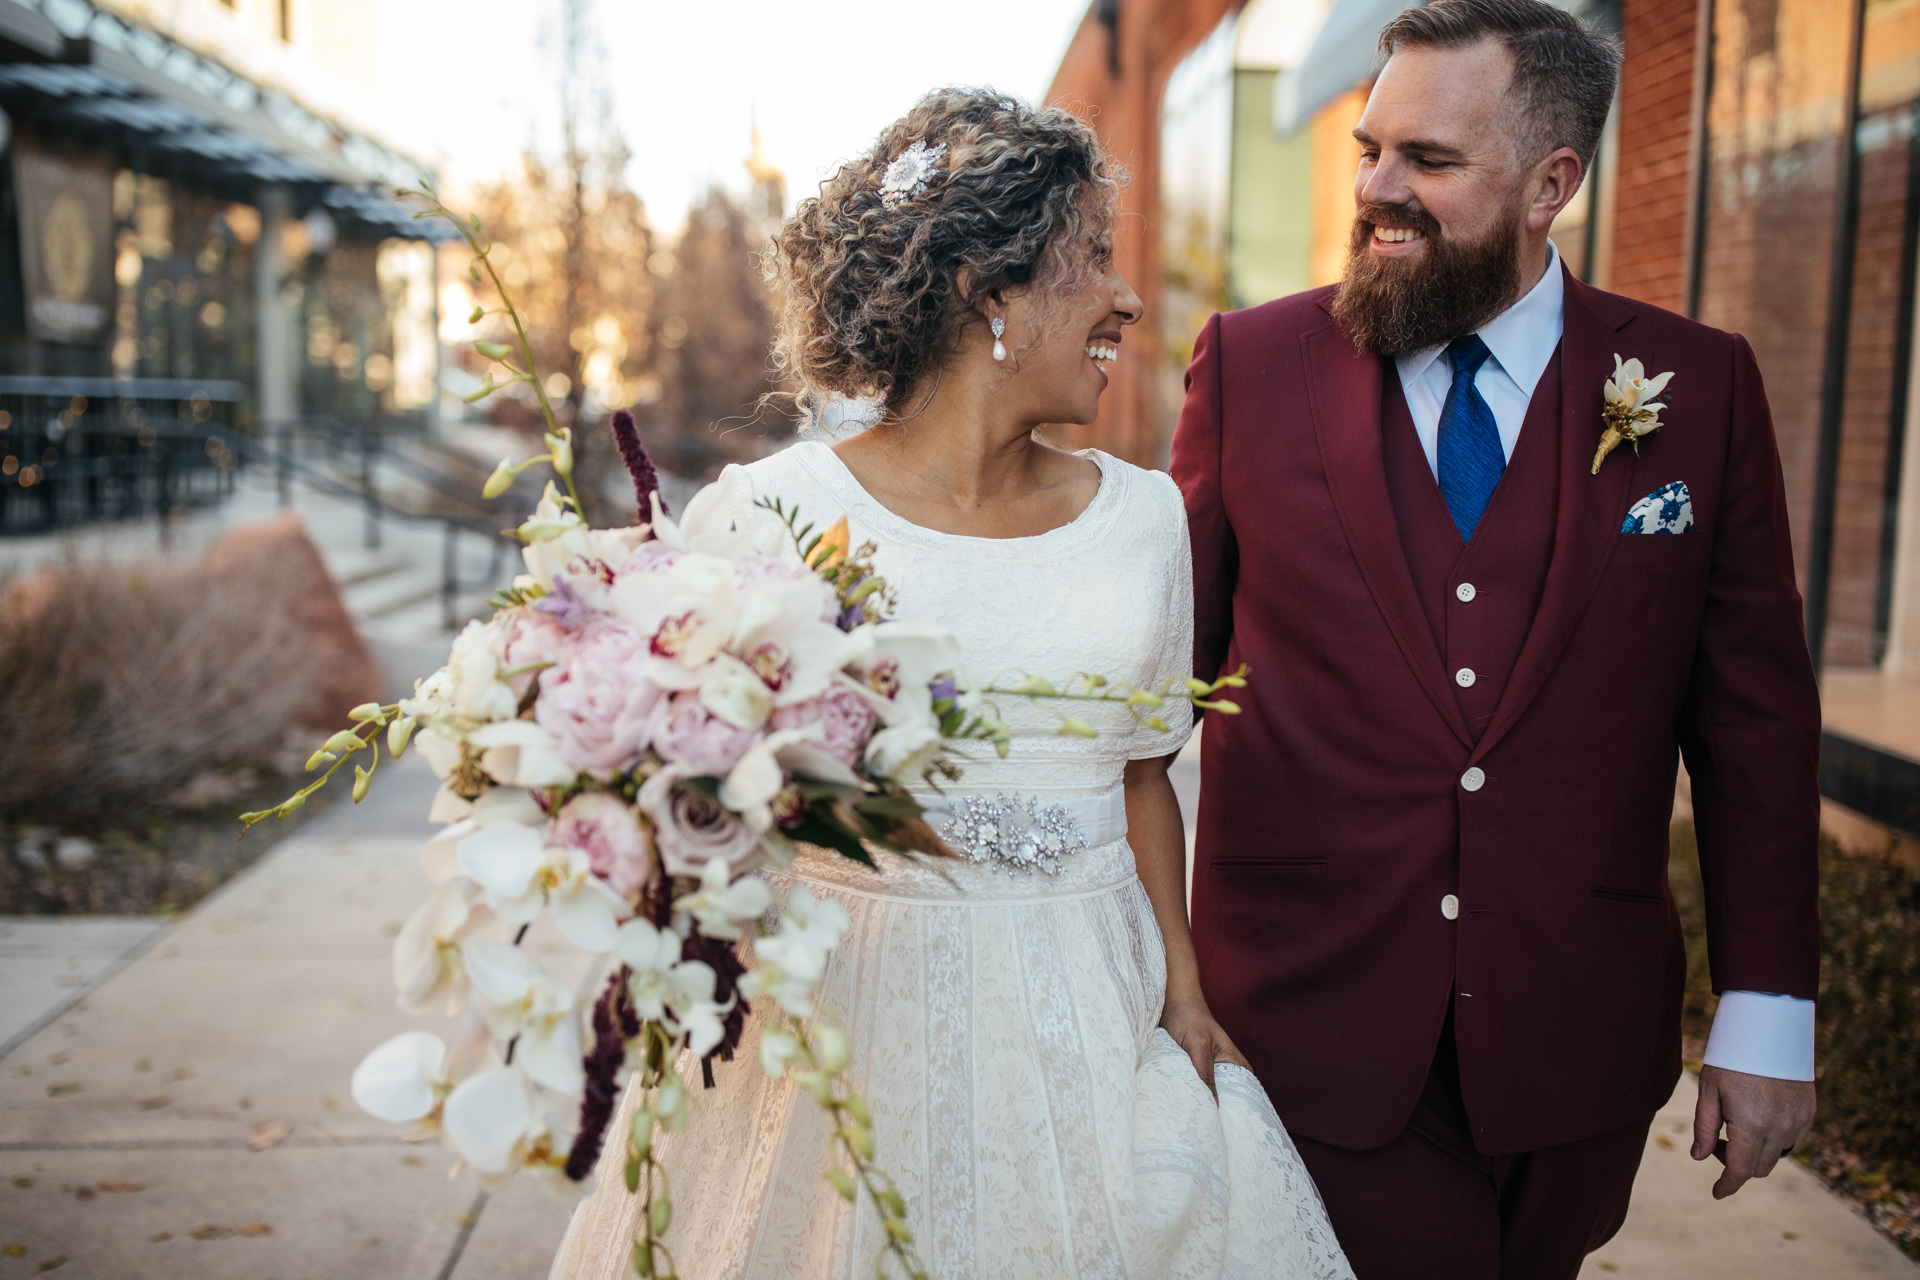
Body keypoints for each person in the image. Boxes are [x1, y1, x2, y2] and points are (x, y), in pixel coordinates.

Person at [549, 88, 1353, 1280]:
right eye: (1090, 260)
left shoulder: (1142, 520)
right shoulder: (771, 514)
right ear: (989, 294)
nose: (1128, 299)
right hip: (847, 1000)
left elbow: (1143, 778)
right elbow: (694, 800)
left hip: (1090, 994)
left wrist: (1185, 994)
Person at [1171, 2, 1821, 1276]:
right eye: (1370, 151)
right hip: (1307, 1019)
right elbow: (1151, 689)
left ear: (1553, 184)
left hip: (1579, 1039)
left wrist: (1769, 1015)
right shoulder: (1251, 367)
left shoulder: (1701, 390)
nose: (1377, 190)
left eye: (1429, 161)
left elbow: (1755, 725)